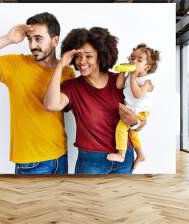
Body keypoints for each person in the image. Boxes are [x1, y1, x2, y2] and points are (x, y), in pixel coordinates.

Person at [0, 12, 75, 175]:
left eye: (38, 38)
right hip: (31, 162)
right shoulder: (17, 64)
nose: (32, 45)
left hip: (60, 155)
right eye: (29, 39)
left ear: (55, 40)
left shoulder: (67, 72)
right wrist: (7, 39)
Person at [44, 27, 141, 174]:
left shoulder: (121, 82)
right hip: (91, 161)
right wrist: (60, 65)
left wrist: (135, 122)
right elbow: (51, 105)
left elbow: (142, 118)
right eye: (78, 56)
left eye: (88, 56)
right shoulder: (72, 87)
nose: (82, 61)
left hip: (124, 157)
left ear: (101, 56)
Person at [107, 43, 160, 170]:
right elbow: (119, 86)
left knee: (121, 128)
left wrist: (133, 77)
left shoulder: (148, 82)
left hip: (140, 111)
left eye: (139, 60)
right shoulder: (129, 76)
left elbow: (137, 94)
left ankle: (121, 154)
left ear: (147, 67)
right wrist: (123, 72)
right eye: (132, 58)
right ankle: (140, 154)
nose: (134, 61)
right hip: (132, 110)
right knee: (131, 132)